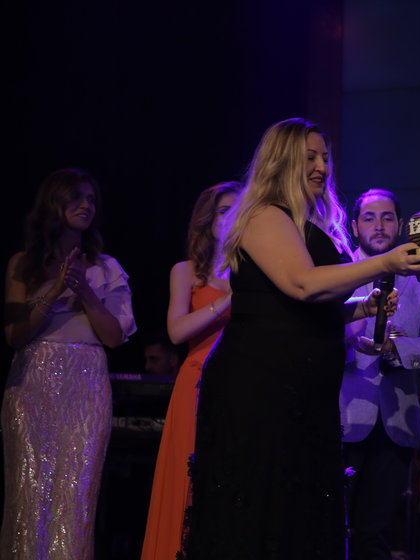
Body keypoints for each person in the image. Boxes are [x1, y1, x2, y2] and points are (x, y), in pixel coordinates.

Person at [182, 118, 420, 559]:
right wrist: (385, 263)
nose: (321, 166)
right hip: (263, 387)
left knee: (300, 514)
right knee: (263, 510)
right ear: (282, 161)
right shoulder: (263, 215)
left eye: (325, 157)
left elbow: (305, 309)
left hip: (302, 392)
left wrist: (362, 309)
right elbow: (301, 284)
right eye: (310, 157)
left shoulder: (306, 222)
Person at [1, 168, 136, 559]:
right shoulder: (23, 264)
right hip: (33, 380)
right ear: (53, 202)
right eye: (76, 197)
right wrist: (56, 289)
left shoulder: (106, 267)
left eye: (91, 199)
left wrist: (86, 292)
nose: (85, 205)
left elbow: (114, 337)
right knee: (29, 492)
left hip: (87, 381)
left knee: (76, 496)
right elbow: (14, 335)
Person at [340, 188, 420, 560]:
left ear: (401, 226)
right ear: (355, 226)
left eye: (387, 217)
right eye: (369, 217)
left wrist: (394, 348)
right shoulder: (338, 272)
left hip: (396, 420)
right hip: (342, 415)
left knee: (377, 534)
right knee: (331, 527)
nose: (379, 225)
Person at [141, 181, 242, 560]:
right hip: (196, 383)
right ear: (207, 219)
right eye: (224, 210)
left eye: (239, 210)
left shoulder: (252, 272)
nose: (232, 217)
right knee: (188, 481)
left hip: (239, 385)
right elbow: (176, 330)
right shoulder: (186, 272)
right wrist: (227, 301)